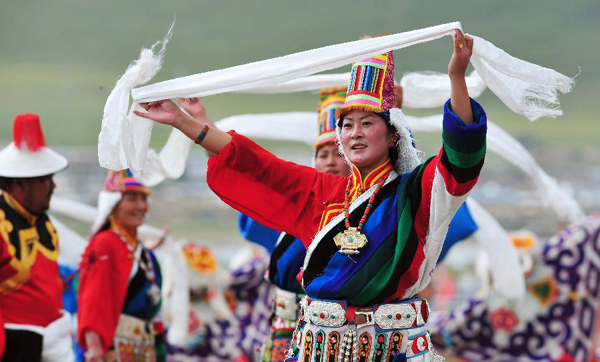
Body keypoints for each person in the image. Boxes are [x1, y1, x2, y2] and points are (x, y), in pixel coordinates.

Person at [136, 30, 485, 362]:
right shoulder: (323, 192)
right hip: (316, 348)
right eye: (347, 125)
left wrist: (456, 77)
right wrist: (183, 122)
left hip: (391, 349)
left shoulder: (415, 193)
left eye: (368, 123)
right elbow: (259, 166)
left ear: (392, 134)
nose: (355, 133)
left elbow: (458, 160)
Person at [0, 114, 73, 362]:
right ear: (20, 184)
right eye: (46, 179)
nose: (53, 186)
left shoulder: (40, 218)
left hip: (49, 346)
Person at [77, 170, 164, 362]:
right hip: (110, 348)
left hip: (142, 350)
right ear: (113, 203)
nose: (141, 206)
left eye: (144, 198)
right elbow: (93, 299)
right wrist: (94, 346)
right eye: (132, 199)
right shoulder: (104, 244)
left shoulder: (144, 253)